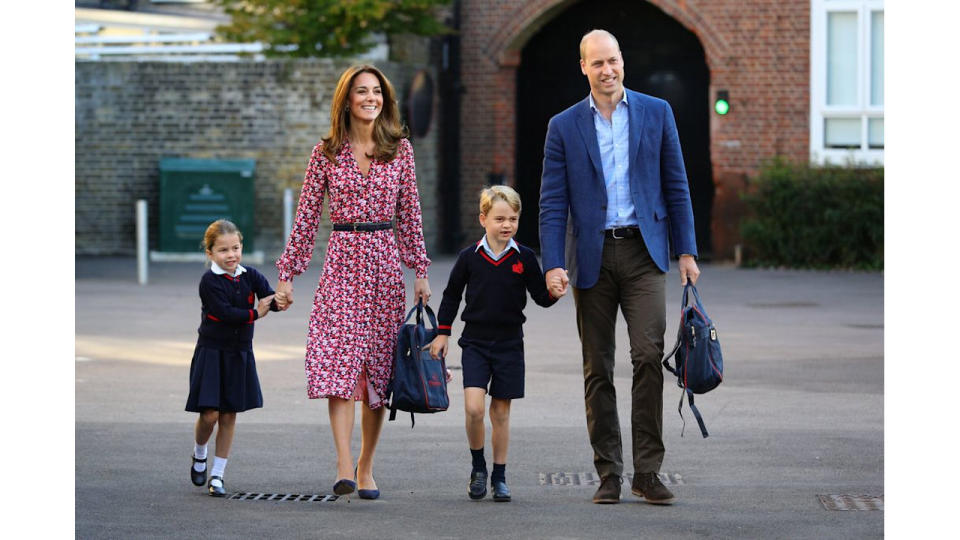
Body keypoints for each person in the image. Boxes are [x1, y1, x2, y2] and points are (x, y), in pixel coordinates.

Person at [538, 29, 701, 505]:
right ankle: (608, 471)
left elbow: (678, 185)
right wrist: (552, 264)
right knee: (598, 367)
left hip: (644, 252)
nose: (607, 71)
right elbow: (552, 203)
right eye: (597, 63)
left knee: (649, 357)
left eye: (613, 61)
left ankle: (647, 472)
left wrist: (686, 251)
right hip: (590, 257)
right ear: (583, 67)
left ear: (622, 62)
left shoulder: (657, 112)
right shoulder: (563, 126)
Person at [273, 64, 432, 500]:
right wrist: (287, 275)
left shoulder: (400, 150)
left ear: (385, 99)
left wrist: (420, 270)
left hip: (383, 267)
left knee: (378, 373)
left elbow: (410, 216)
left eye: (376, 92)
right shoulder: (324, 153)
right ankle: (344, 462)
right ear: (346, 99)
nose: (370, 98)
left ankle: (366, 465)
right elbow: (305, 220)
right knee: (339, 363)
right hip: (341, 263)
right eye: (361, 91)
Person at [429, 185, 561, 502]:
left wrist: (554, 292)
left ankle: (500, 477)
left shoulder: (525, 257)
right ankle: (478, 469)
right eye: (500, 218)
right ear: (483, 219)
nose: (507, 225)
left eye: (513, 219)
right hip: (475, 342)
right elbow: (450, 296)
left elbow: (540, 297)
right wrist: (442, 331)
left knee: (500, 412)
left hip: (510, 344)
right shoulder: (468, 258)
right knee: (475, 409)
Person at [185, 219, 278, 497]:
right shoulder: (209, 282)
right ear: (210, 253)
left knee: (228, 415)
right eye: (223, 250)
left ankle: (217, 475)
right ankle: (199, 452)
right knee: (210, 414)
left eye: (236, 248)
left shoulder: (250, 275)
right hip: (212, 352)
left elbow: (268, 297)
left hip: (239, 354)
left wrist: (280, 301)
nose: (231, 255)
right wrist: (255, 313)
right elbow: (223, 313)